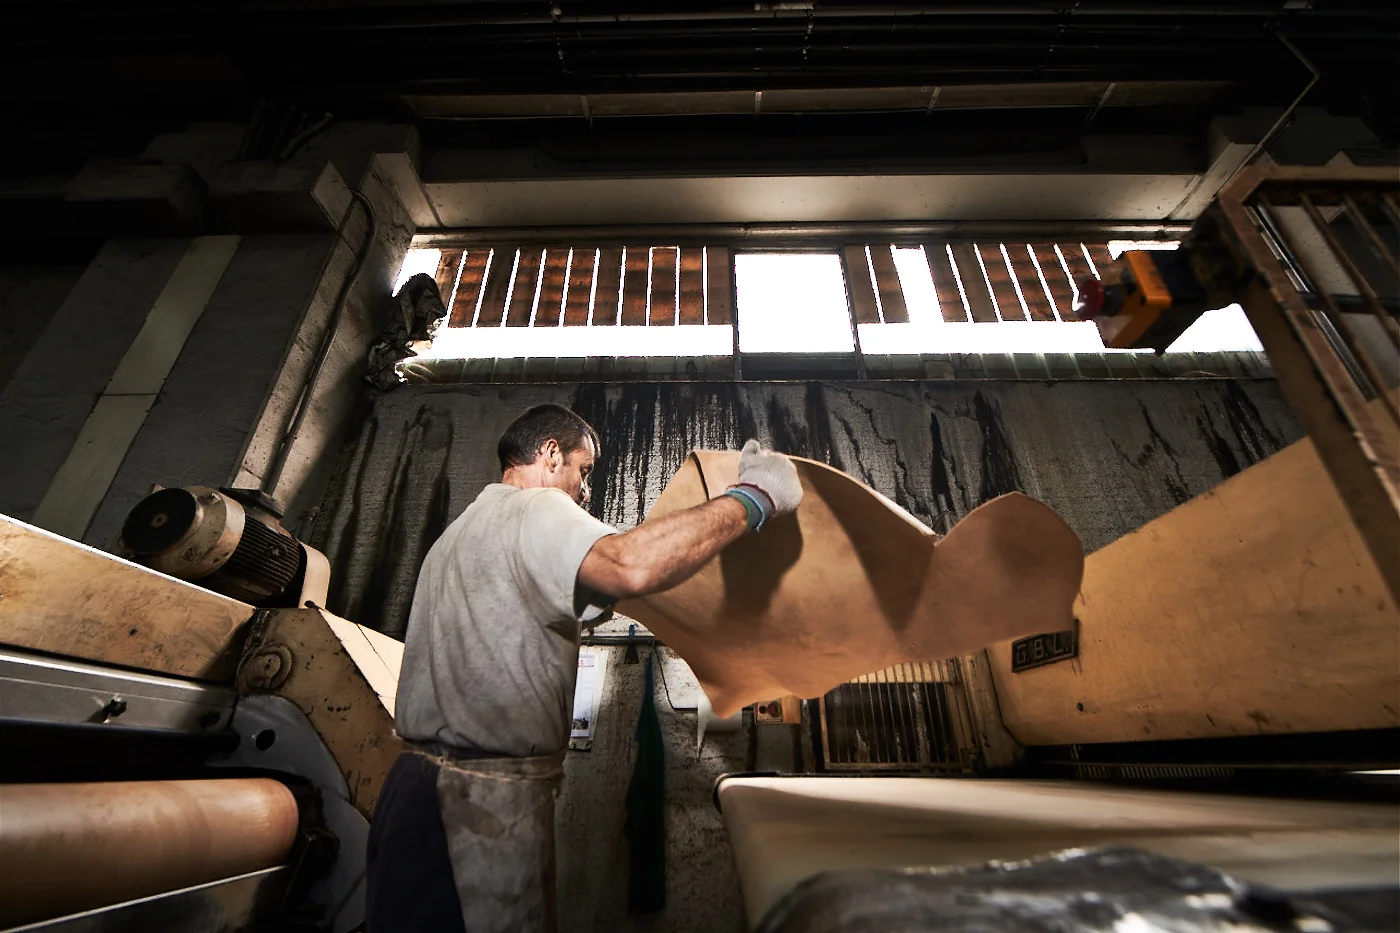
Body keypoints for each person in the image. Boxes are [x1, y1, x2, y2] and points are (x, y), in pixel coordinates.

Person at [365, 403, 803, 933]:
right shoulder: (536, 509)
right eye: (585, 470)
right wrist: (752, 499)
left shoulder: (459, 535)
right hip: (471, 805)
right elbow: (628, 564)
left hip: (413, 791)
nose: (587, 490)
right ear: (551, 455)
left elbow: (608, 582)